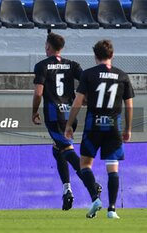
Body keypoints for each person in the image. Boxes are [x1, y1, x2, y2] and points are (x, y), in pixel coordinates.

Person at [65, 39, 134, 219]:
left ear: (95, 56)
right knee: (113, 168)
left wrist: (69, 124)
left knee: (85, 164)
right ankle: (112, 209)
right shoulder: (122, 76)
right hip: (113, 128)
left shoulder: (88, 74)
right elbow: (129, 105)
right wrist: (128, 129)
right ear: (112, 55)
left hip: (93, 126)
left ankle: (95, 198)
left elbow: (78, 101)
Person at [32, 32, 101, 210]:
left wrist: (34, 112)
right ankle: (67, 189)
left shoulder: (42, 66)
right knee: (58, 150)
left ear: (48, 47)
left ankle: (92, 185)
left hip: (54, 117)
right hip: (71, 115)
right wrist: (85, 99)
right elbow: (88, 81)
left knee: (67, 149)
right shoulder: (72, 65)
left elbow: (38, 93)